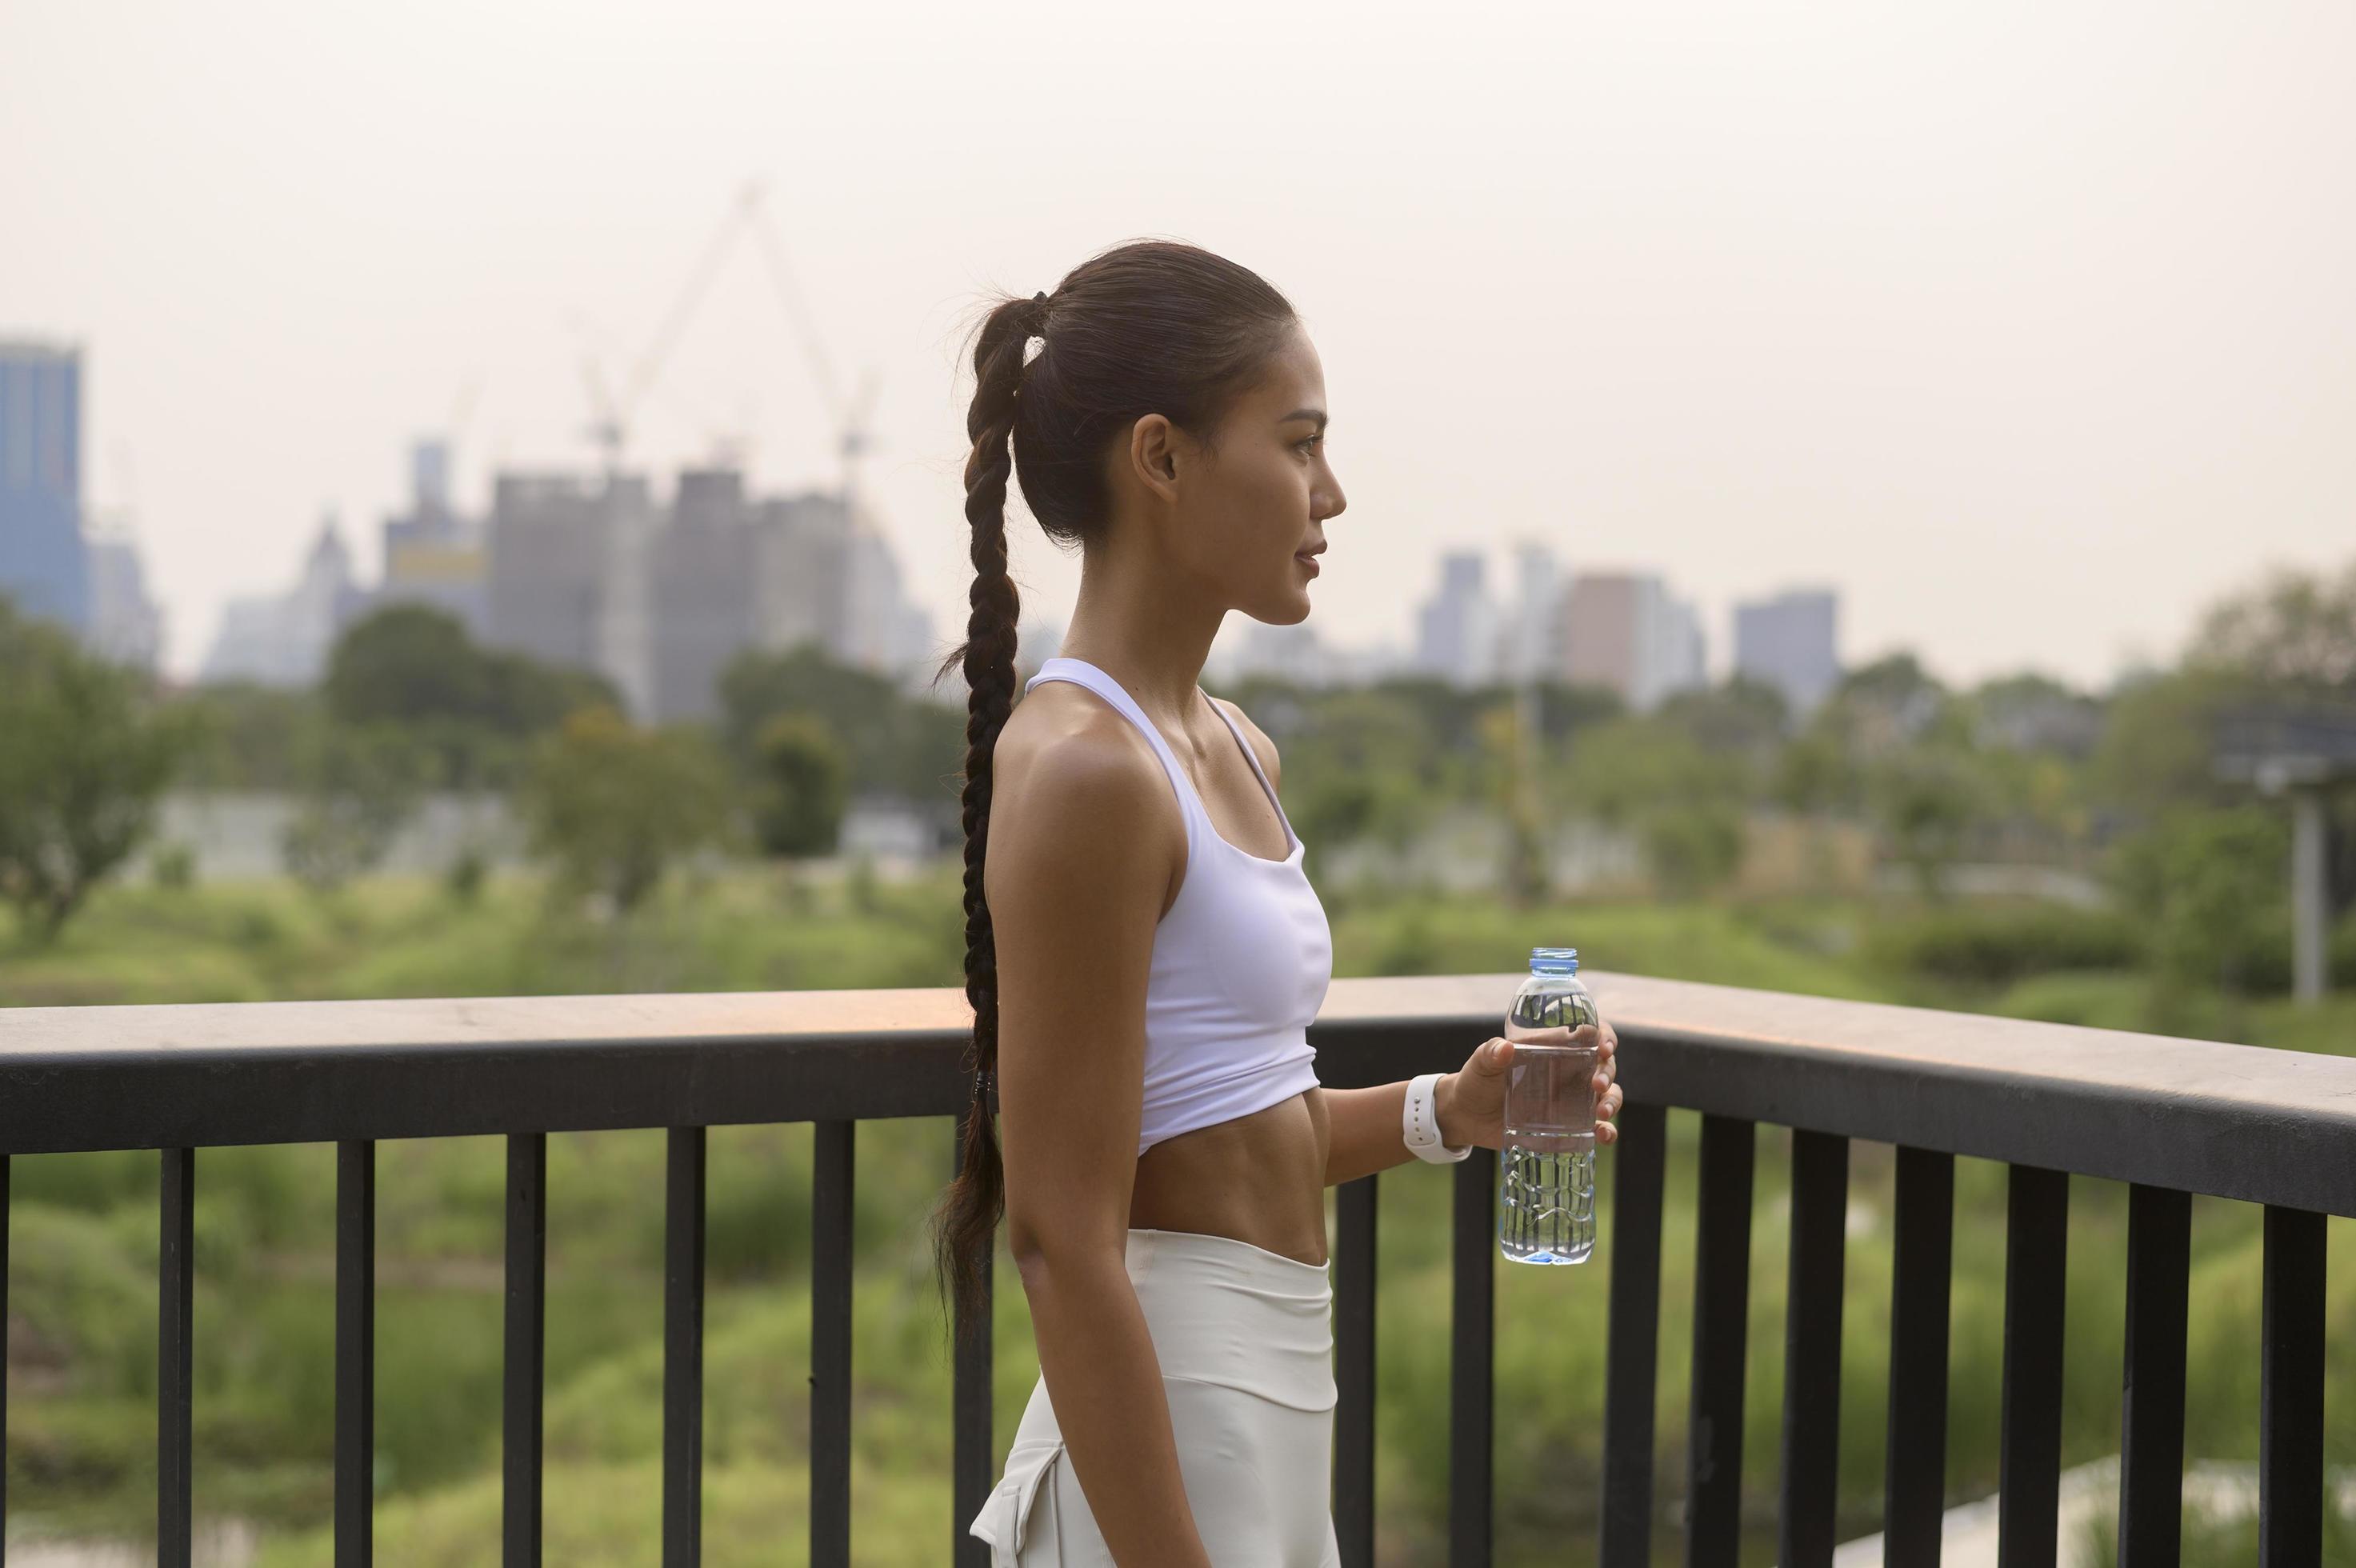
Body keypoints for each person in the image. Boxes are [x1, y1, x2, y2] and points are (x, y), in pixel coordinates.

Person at [927, 238, 1623, 1567]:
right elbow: (1061, 1237)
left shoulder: (1236, 745)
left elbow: (1235, 1119)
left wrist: (1446, 1113)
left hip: (1271, 1385)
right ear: (1162, 458)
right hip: (1171, 1403)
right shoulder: (1087, 770)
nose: (1332, 494)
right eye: (1297, 444)